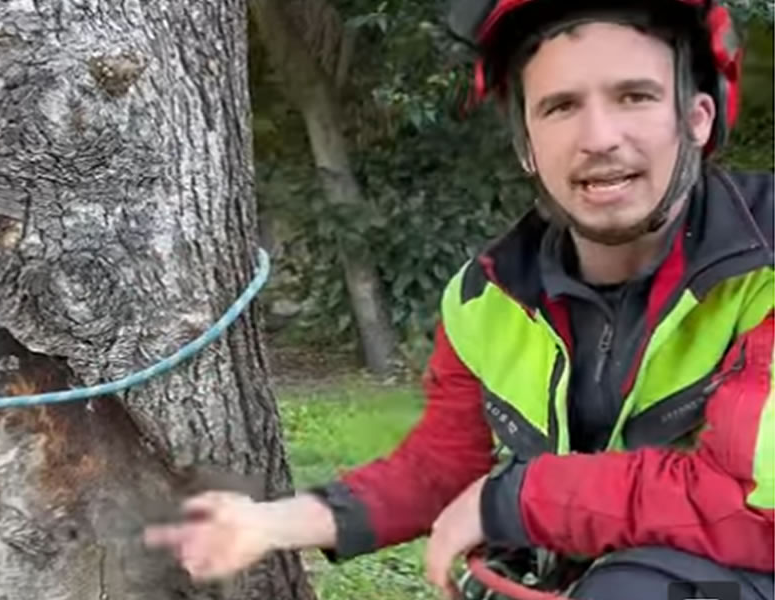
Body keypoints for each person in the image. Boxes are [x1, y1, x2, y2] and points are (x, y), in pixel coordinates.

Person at [144, 0, 775, 598]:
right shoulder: (488, 296)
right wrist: (269, 526)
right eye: (560, 107)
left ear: (699, 117)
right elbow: (443, 466)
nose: (600, 136)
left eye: (635, 97)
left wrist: (511, 499)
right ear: (528, 145)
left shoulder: (765, 263)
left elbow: (752, 505)